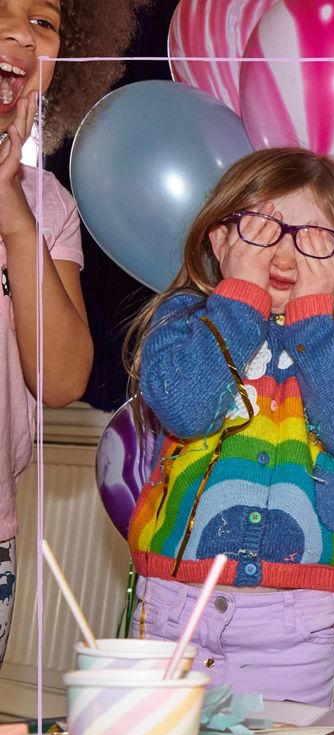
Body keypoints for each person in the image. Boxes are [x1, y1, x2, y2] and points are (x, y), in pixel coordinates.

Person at [123, 148, 334, 705]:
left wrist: (314, 319)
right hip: (174, 608)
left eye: (315, 236)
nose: (284, 249)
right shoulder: (183, 322)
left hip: (295, 624)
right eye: (260, 227)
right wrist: (241, 299)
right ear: (219, 240)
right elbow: (187, 408)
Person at [0, 0, 150, 663]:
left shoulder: (47, 206)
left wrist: (12, 212)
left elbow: (60, 380)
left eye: (44, 22)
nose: (18, 33)